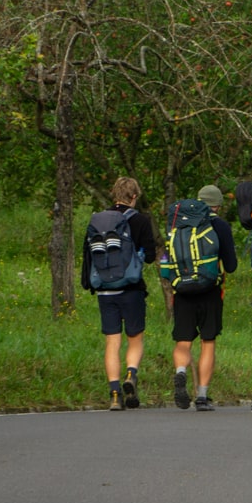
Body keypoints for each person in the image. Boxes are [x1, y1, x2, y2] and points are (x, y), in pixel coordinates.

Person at [80, 176, 157, 411]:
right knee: (135, 338)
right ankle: (130, 375)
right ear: (134, 196)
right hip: (132, 289)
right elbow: (152, 256)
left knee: (112, 342)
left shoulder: (98, 221)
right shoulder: (141, 220)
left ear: (114, 194)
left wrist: (88, 283)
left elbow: (87, 255)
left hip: (104, 291)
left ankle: (114, 394)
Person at [171, 184, 238, 412]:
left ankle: (180, 372)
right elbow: (231, 265)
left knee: (183, 341)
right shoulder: (219, 225)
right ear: (218, 205)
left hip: (181, 290)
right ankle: (202, 396)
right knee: (207, 342)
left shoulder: (179, 223)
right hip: (210, 291)